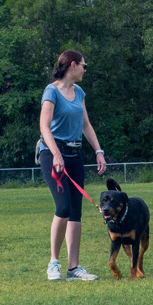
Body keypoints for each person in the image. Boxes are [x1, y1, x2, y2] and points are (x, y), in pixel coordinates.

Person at [39, 49, 108, 281]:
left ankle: (73, 269)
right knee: (63, 208)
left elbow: (86, 125)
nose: (85, 70)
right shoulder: (51, 91)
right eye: (84, 66)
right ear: (72, 65)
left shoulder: (79, 92)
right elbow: (44, 127)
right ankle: (53, 263)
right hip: (52, 153)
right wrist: (56, 154)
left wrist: (98, 151)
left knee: (76, 211)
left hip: (74, 153)